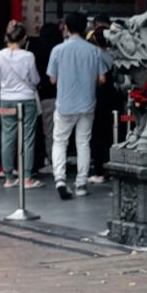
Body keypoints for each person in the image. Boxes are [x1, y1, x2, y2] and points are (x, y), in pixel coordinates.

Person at [47, 11, 108, 200]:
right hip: (87, 103)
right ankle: (81, 183)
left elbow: (52, 79)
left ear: (66, 26)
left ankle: (60, 180)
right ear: (84, 28)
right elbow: (102, 79)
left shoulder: (57, 50)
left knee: (60, 141)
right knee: (83, 143)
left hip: (65, 104)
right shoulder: (94, 51)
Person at [0, 20, 43, 189]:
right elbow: (35, 79)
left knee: (7, 136)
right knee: (28, 137)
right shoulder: (28, 56)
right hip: (26, 98)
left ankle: (8, 176)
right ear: (24, 39)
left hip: (6, 98)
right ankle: (27, 176)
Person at [29, 22, 62, 174]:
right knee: (60, 131)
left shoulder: (36, 50)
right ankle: (58, 159)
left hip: (44, 95)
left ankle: (50, 159)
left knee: (48, 130)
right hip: (62, 94)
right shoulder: (61, 49)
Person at [88, 25, 119, 184]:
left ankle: (99, 170)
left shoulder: (95, 55)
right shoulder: (113, 55)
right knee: (108, 133)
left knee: (97, 133)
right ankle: (109, 166)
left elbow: (100, 79)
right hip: (112, 95)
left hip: (99, 95)